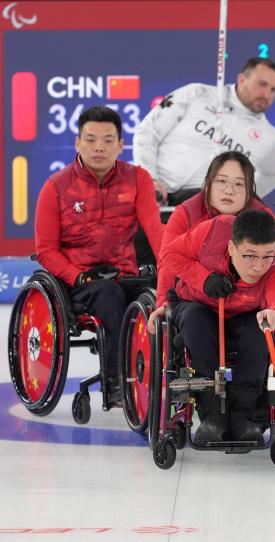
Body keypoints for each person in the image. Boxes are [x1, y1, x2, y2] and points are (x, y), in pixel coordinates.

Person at [35, 106, 165, 404]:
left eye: (108, 140)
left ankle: (171, 379)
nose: (99, 147)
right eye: (91, 139)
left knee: (161, 297)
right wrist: (76, 275)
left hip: (125, 274)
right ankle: (117, 382)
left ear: (121, 145)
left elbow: (155, 232)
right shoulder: (55, 187)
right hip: (79, 281)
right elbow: (46, 251)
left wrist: (172, 271)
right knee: (108, 295)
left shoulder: (138, 179)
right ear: (77, 143)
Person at [154, 209, 275, 446]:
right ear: (232, 248)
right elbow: (169, 253)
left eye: (266, 256)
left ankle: (243, 415)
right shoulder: (212, 231)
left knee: (259, 331)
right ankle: (213, 414)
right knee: (196, 320)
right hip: (197, 304)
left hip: (245, 314)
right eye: (249, 256)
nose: (258, 266)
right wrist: (204, 277)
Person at [133, 57, 275, 203]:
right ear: (241, 79)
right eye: (261, 84)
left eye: (273, 89)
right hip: (154, 198)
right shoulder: (196, 94)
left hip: (201, 213)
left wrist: (242, 199)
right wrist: (150, 179)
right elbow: (148, 133)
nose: (266, 94)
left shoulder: (270, 138)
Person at [152, 150, 275, 311]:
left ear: (250, 191)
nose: (229, 190)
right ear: (208, 184)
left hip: (247, 304)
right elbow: (168, 263)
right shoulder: (186, 213)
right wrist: (164, 304)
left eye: (239, 184)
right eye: (221, 181)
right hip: (196, 301)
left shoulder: (263, 217)